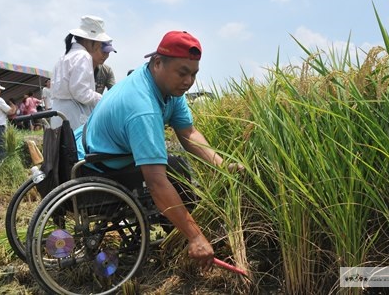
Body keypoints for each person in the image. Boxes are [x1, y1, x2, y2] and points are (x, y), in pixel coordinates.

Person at [74, 30, 244, 271]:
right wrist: (195, 236)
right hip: (98, 164)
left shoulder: (168, 88)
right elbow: (156, 182)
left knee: (174, 165)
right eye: (182, 73)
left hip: (98, 145)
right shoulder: (142, 106)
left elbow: (188, 133)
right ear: (157, 63)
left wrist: (221, 166)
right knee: (174, 171)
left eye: (194, 74)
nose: (188, 81)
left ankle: (181, 232)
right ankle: (189, 239)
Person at [50, 15, 112, 130]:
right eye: (99, 42)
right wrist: (102, 99)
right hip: (73, 116)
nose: (99, 45)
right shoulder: (83, 56)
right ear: (90, 40)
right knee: (75, 147)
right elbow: (81, 92)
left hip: (58, 113)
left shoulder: (65, 55)